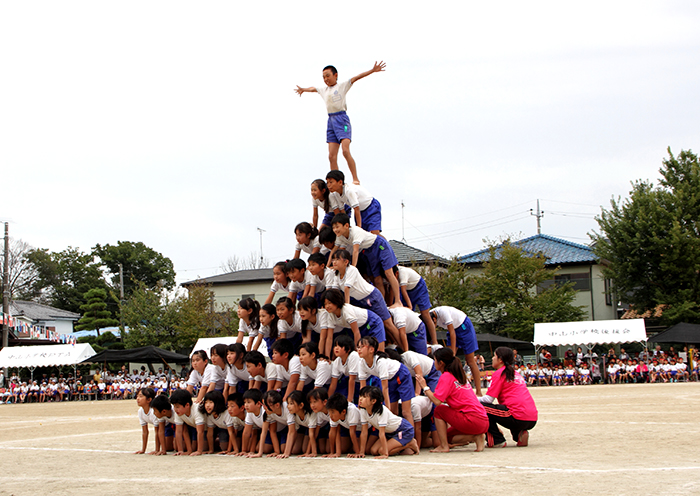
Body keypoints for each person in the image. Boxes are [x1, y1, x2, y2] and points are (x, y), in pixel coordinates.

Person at [294, 61, 386, 185]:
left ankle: (355, 178)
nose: (325, 79)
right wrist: (303, 90)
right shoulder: (324, 90)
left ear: (335, 75)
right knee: (331, 156)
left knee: (345, 151)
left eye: (328, 75)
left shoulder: (341, 86)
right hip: (330, 120)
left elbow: (356, 78)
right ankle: (334, 182)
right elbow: (313, 88)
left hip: (341, 119)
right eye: (323, 77)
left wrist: (372, 70)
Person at [417, 347, 488, 453]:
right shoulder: (459, 375)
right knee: (447, 435)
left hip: (471, 419)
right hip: (482, 419)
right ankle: (476, 437)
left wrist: (424, 386)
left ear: (441, 363)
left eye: (435, 360)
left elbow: (437, 401)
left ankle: (445, 446)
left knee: (439, 410)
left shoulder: (446, 376)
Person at [479, 347, 538, 448]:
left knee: (481, 407)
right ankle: (519, 434)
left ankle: (496, 440)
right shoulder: (515, 373)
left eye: (494, 356)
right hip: (532, 418)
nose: (492, 358)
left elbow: (488, 400)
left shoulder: (499, 373)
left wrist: (469, 398)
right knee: (506, 408)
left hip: (517, 416)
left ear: (500, 360)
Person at [430, 306, 482, 395]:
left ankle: (478, 391)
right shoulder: (428, 315)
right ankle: (451, 388)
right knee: (446, 362)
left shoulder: (443, 312)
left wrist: (453, 353)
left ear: (434, 319)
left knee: (470, 361)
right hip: (452, 330)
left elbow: (452, 333)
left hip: (463, 326)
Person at [358, 386, 419, 458]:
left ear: (373, 401)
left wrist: (385, 454)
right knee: (374, 451)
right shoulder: (363, 410)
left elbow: (381, 433)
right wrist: (361, 452)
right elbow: (364, 432)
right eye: (360, 396)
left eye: (364, 397)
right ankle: (399, 444)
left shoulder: (381, 411)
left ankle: (410, 443)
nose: (360, 399)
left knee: (381, 451)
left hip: (403, 430)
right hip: (389, 433)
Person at [134, 387, 161, 455]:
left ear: (149, 400)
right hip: (162, 429)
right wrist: (143, 450)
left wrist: (157, 450)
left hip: (167, 426)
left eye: (140, 396)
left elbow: (157, 432)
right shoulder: (140, 411)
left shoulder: (153, 411)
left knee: (171, 447)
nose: (137, 398)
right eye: (137, 396)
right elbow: (145, 431)